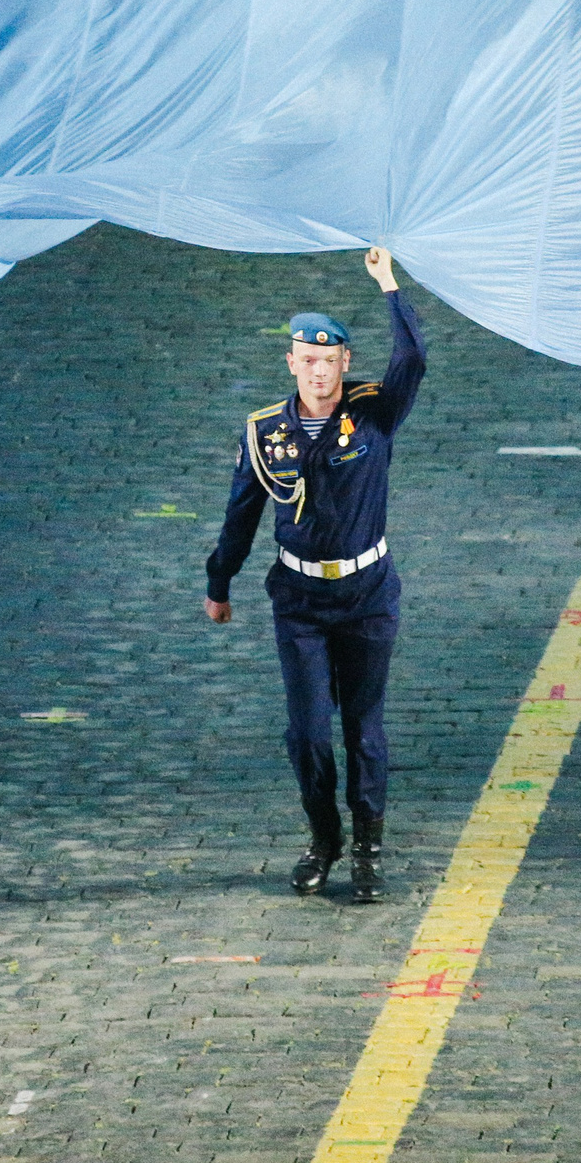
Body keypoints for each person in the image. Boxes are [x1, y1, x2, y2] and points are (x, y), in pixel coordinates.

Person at [206, 248, 425, 903]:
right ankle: (323, 837)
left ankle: (368, 848)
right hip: (299, 597)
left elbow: (413, 359)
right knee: (306, 730)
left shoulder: (375, 412)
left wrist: (388, 284)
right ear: (292, 362)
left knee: (364, 724)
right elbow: (240, 514)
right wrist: (219, 584)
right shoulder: (265, 432)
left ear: (345, 364)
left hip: (366, 594)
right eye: (308, 359)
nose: (320, 369)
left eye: (330, 359)